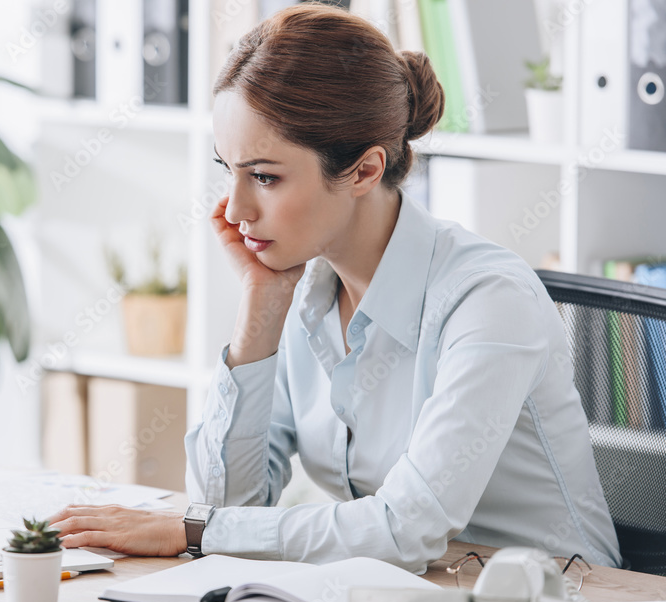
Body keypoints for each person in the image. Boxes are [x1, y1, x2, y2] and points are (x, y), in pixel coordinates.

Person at [48, 3, 622, 572]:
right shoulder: (305, 292)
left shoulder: (490, 302)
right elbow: (226, 509)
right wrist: (260, 311)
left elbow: (405, 528)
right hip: (403, 601)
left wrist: (193, 529)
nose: (236, 208)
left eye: (266, 176)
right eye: (230, 170)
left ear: (364, 171)